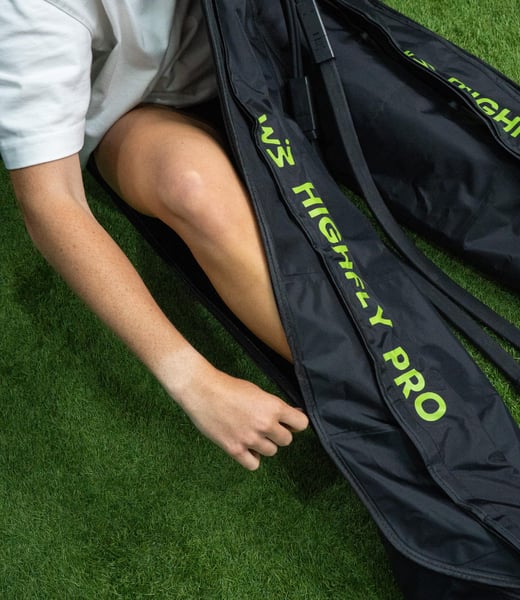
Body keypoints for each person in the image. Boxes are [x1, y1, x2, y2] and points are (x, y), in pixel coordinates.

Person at [0, 0, 309, 470]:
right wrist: (193, 380)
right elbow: (51, 202)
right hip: (138, 104)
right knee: (190, 188)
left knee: (402, 106)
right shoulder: (24, 20)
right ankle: (391, 394)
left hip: (253, 34)